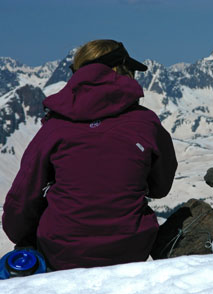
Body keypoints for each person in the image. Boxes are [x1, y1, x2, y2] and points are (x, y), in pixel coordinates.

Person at [2, 39, 177, 270]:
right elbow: (160, 188)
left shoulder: (56, 126)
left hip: (61, 252)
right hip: (131, 248)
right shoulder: (146, 122)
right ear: (121, 69)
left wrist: (23, 237)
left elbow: (22, 199)